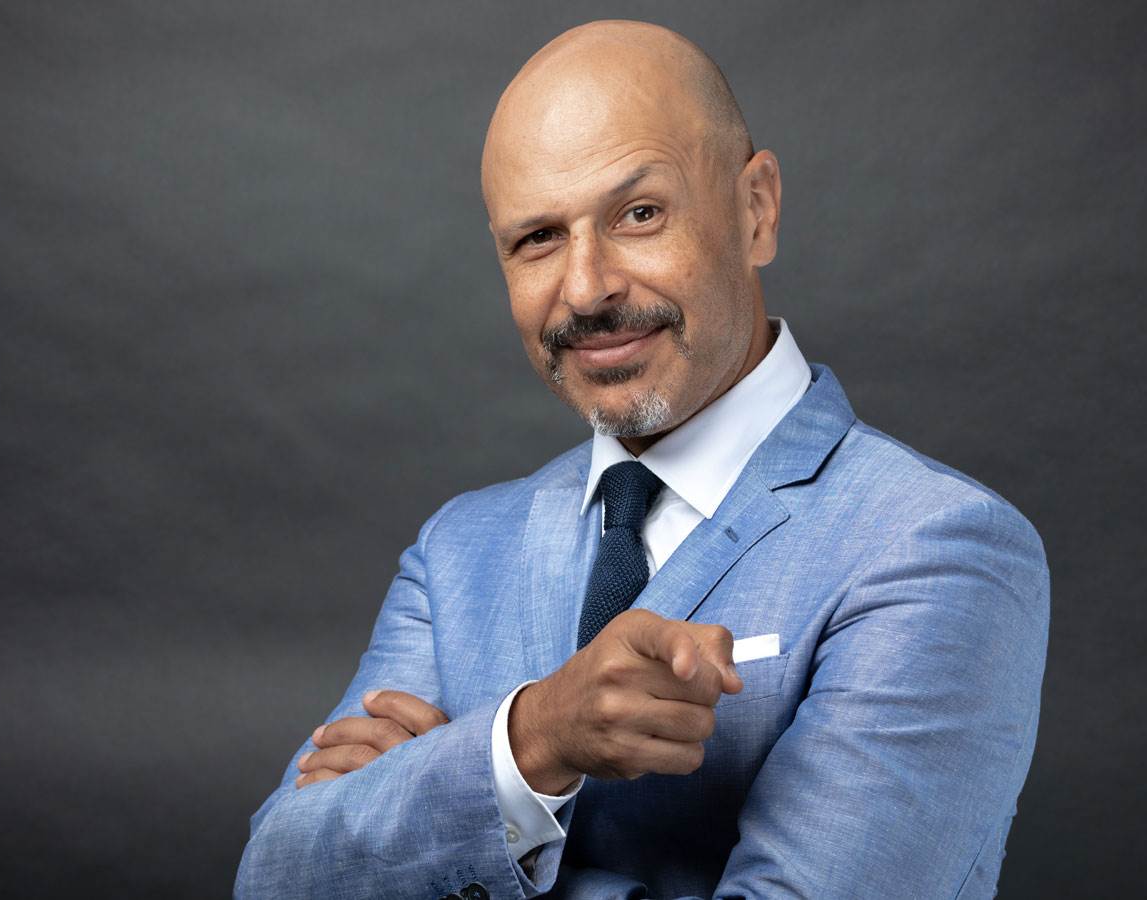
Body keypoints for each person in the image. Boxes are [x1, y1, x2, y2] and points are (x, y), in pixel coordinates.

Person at [235, 19, 1048, 900]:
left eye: (640, 214)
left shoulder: (934, 548)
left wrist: (437, 795)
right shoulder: (458, 551)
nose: (587, 289)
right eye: (538, 238)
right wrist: (530, 740)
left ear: (756, 210)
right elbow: (275, 878)